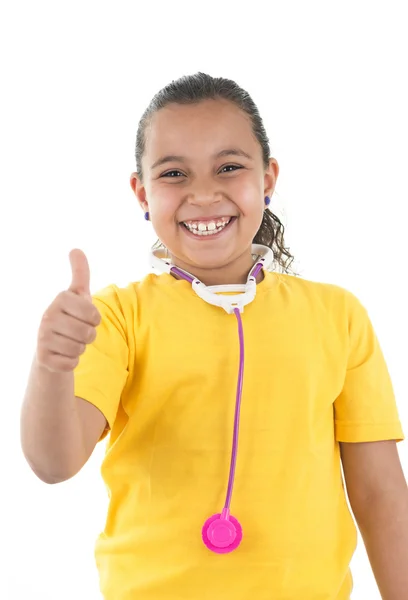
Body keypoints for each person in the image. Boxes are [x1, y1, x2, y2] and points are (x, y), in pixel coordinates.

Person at [20, 72, 408, 600]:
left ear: (268, 179)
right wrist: (52, 367)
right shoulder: (116, 317)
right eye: (174, 173)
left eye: (229, 167)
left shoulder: (339, 315)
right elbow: (54, 462)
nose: (203, 193)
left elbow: (380, 492)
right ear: (141, 192)